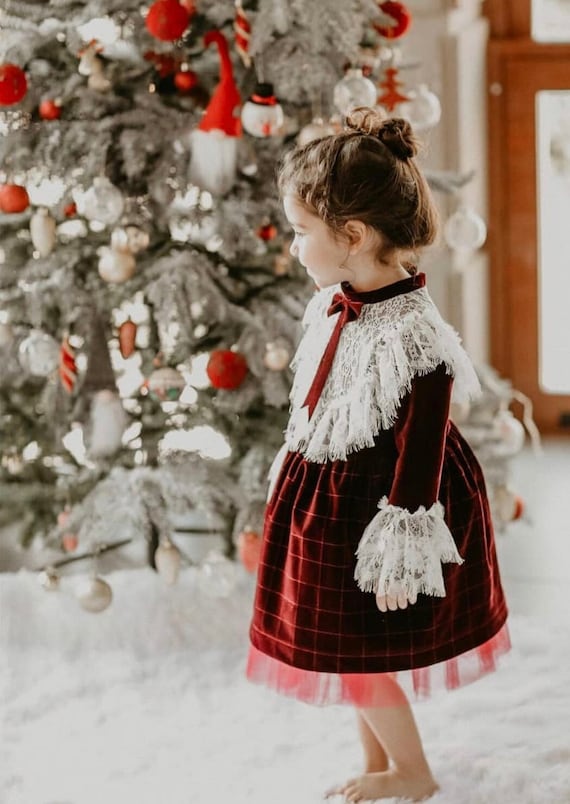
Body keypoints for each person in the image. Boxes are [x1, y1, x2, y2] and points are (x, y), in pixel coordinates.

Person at [246, 106, 510, 803]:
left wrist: (403, 537)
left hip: (382, 507)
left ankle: (414, 773)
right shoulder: (334, 302)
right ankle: (384, 765)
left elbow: (421, 449)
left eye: (303, 233)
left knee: (356, 652)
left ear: (354, 236)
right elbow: (319, 400)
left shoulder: (414, 335)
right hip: (330, 494)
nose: (294, 246)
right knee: (352, 650)